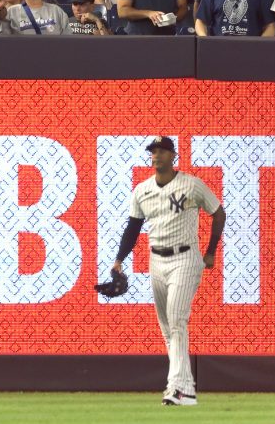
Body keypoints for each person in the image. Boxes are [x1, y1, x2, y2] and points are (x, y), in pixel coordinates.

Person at [108, 135, 224, 407]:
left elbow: (218, 213)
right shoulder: (142, 190)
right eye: (153, 151)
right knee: (167, 329)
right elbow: (133, 228)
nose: (156, 156)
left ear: (173, 156)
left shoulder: (191, 185)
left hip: (185, 257)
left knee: (177, 321)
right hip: (156, 260)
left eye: (161, 151)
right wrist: (119, 260)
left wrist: (210, 252)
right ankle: (186, 391)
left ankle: (177, 389)